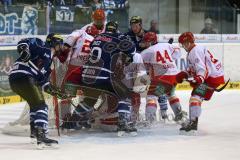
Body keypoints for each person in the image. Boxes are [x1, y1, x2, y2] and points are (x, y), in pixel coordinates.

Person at [8, 35, 65, 148]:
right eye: (59, 44)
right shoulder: (42, 46)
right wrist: (24, 50)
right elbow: (24, 42)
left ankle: (34, 133)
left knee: (35, 105)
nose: (60, 48)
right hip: (24, 77)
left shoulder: (49, 64)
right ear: (54, 43)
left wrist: (56, 92)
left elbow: (43, 83)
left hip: (16, 80)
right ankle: (41, 135)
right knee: (41, 105)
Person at [177, 32, 225, 134]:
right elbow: (193, 69)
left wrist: (199, 78)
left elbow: (203, 69)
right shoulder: (192, 51)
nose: (182, 46)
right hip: (211, 77)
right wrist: (184, 74)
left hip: (211, 78)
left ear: (189, 42)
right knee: (195, 97)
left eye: (183, 43)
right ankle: (192, 122)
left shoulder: (195, 51)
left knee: (195, 97)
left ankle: (193, 124)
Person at [140, 32, 186, 123]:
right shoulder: (167, 45)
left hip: (162, 78)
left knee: (151, 97)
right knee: (171, 94)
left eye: (146, 42)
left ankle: (149, 121)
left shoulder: (146, 51)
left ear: (150, 42)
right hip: (174, 76)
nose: (144, 44)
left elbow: (143, 66)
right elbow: (177, 54)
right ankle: (179, 115)